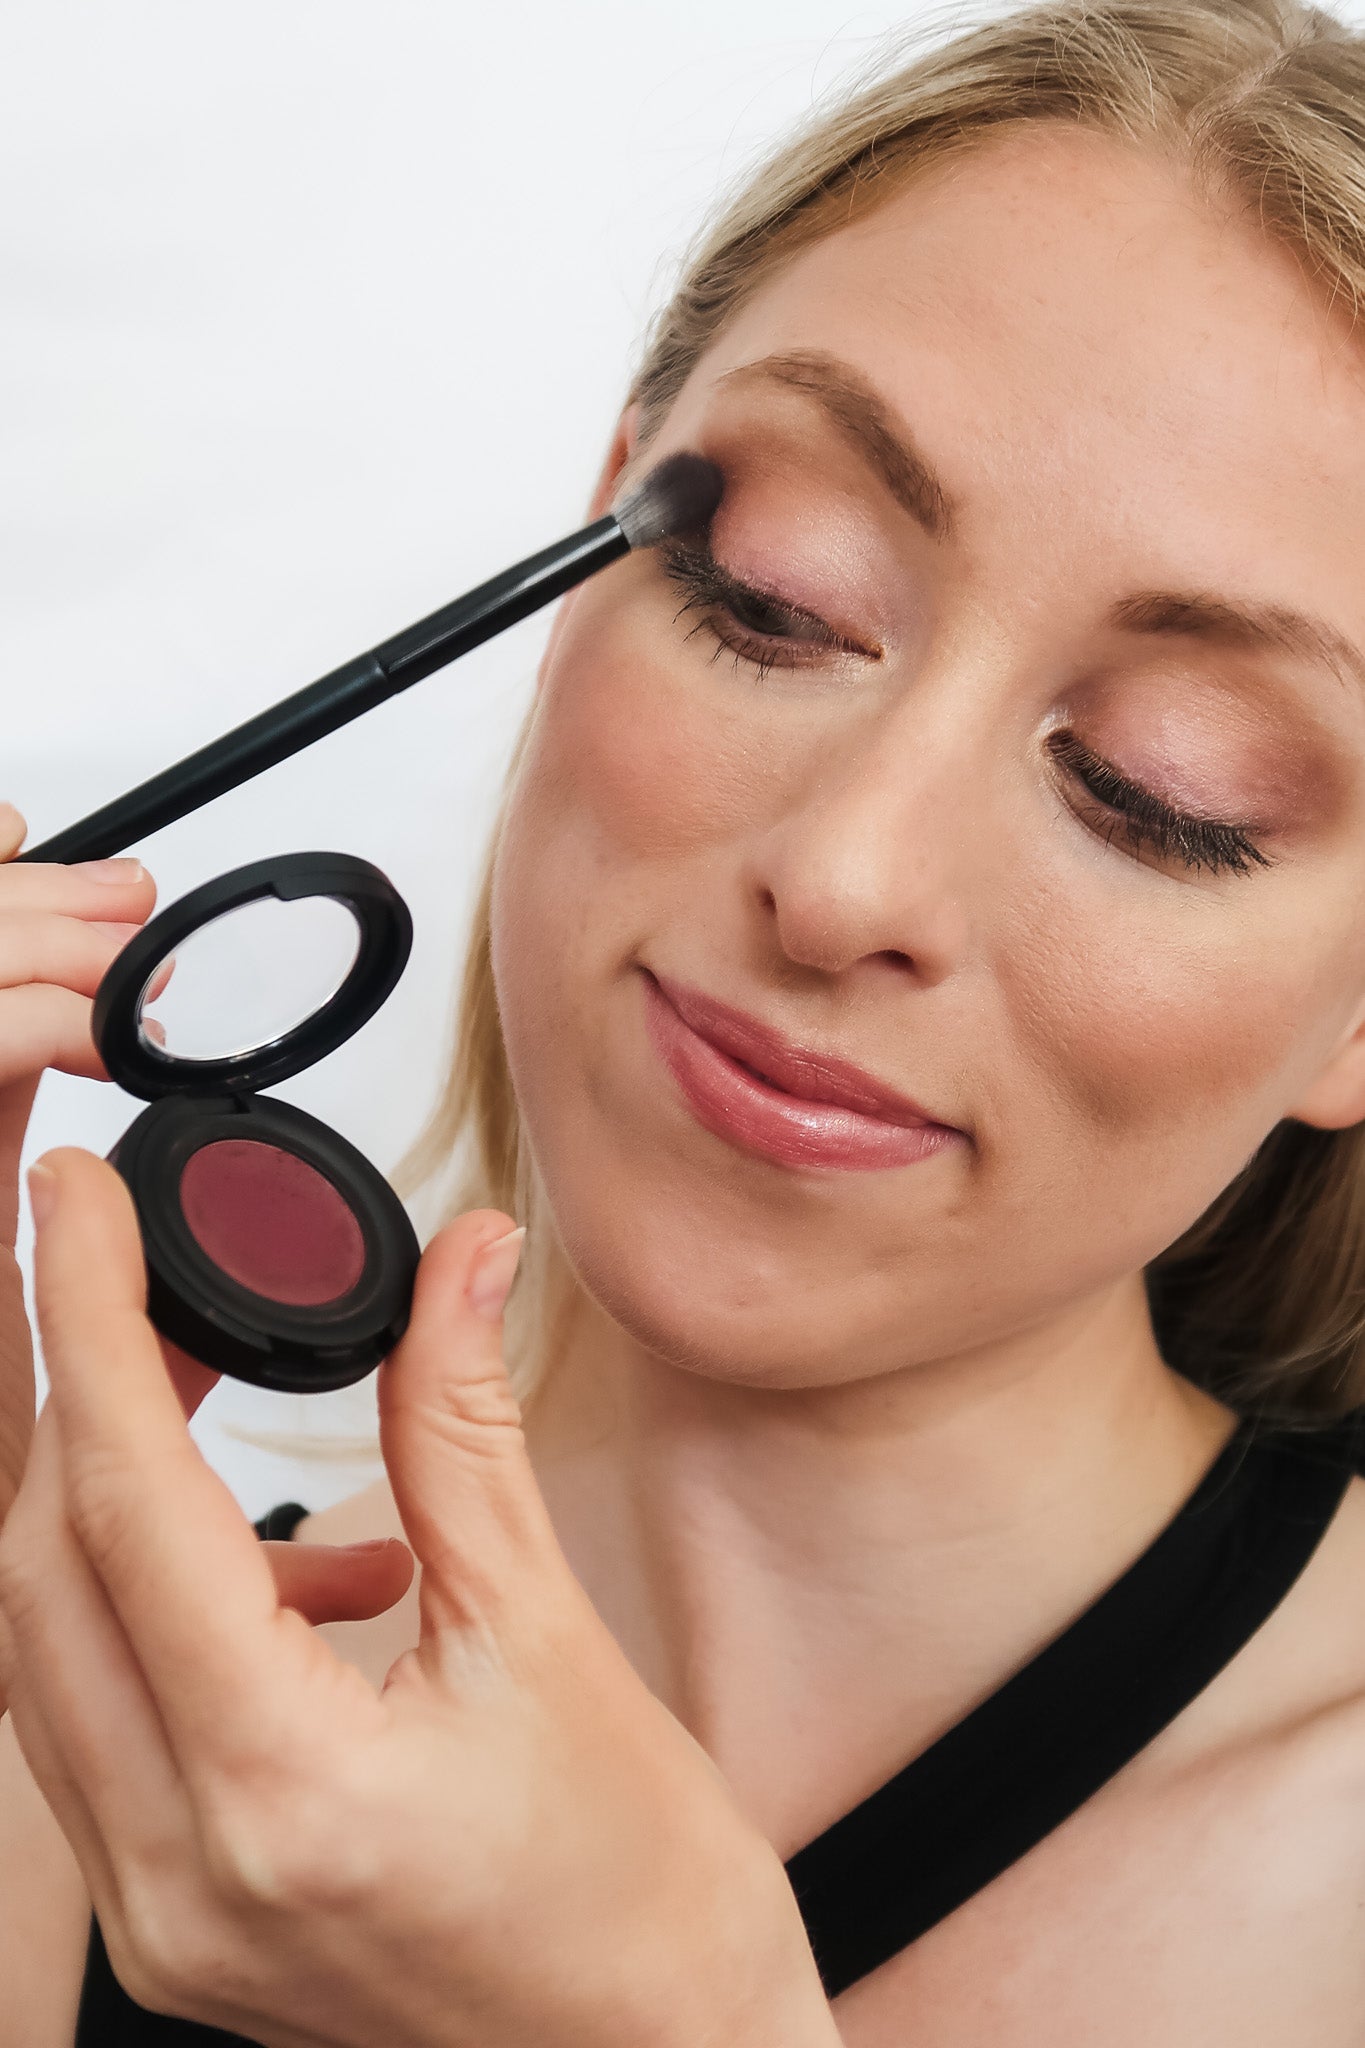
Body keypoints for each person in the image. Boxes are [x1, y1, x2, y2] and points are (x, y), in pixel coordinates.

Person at [7, 0, 1365, 2038]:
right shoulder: (96, 1735)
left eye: (1159, 791)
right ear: (600, 537)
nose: (841, 882)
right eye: (776, 600)